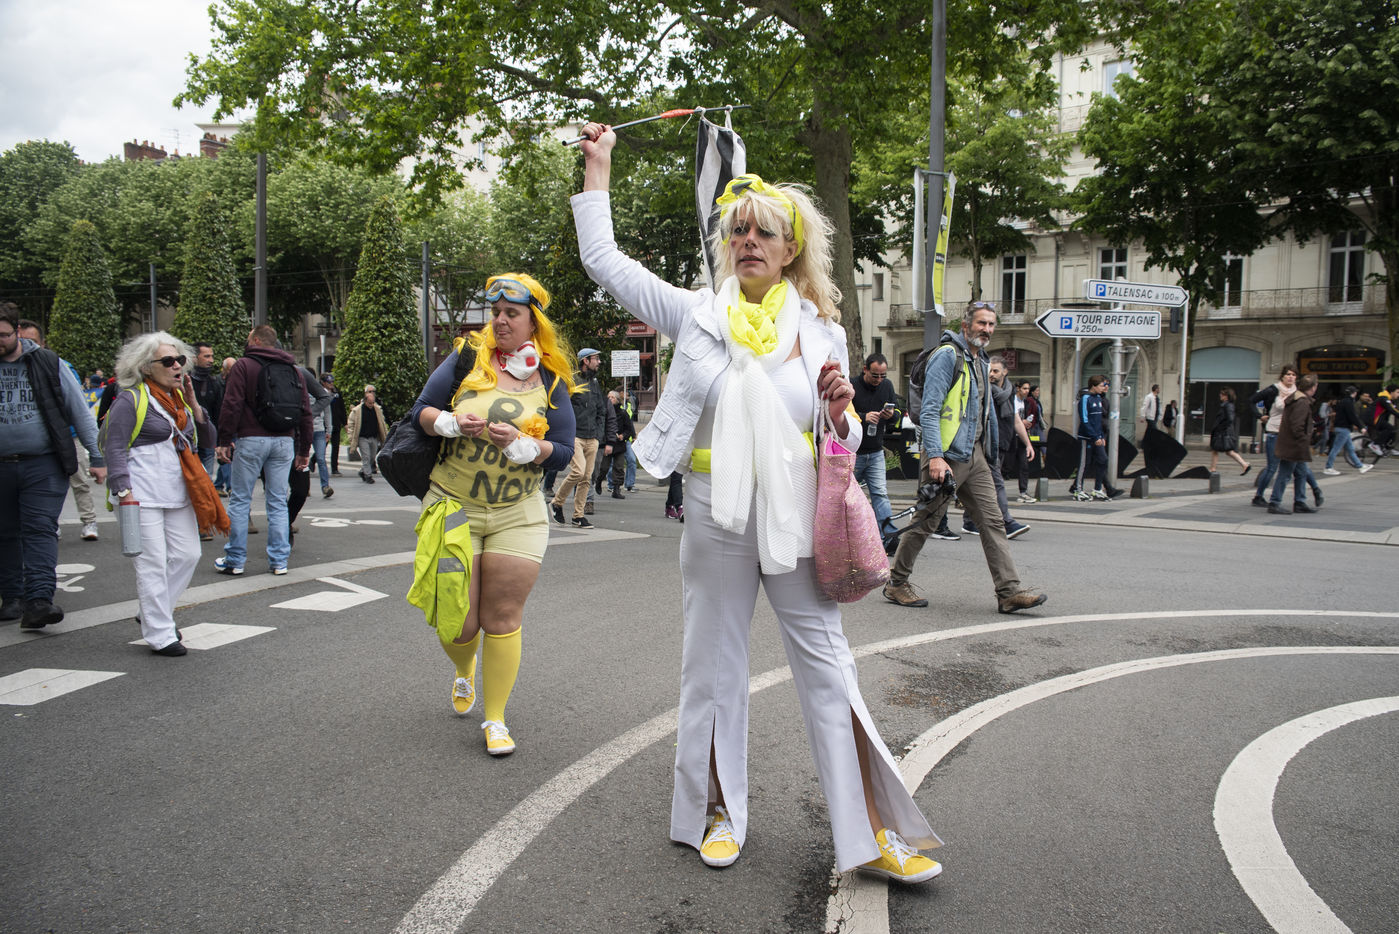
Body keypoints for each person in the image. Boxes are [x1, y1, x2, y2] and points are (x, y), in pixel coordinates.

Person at [573, 123, 942, 882]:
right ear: (726, 245)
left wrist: (839, 411)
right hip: (716, 511)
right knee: (712, 668)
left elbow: (839, 435)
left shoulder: (823, 332)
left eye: (764, 232)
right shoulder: (694, 313)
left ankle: (873, 830)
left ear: (789, 249)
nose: (748, 241)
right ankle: (716, 812)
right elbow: (603, 260)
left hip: (797, 507)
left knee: (829, 667)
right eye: (738, 230)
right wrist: (598, 166)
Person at [409, 273, 577, 756]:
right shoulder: (466, 358)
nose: (500, 321)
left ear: (533, 322)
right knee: (460, 622)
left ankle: (496, 718)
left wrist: (526, 446)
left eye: (511, 314)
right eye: (495, 312)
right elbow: (421, 411)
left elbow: (564, 451)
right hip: (453, 505)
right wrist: (448, 422)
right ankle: (464, 667)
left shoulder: (550, 378)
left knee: (502, 616)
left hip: (517, 513)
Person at [886, 301, 1048, 612]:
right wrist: (935, 457)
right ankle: (896, 582)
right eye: (981, 323)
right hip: (946, 455)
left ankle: (1008, 592)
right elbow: (930, 410)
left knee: (993, 521)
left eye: (991, 325)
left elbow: (982, 413)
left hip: (975, 456)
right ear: (965, 326)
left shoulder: (980, 361)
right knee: (926, 522)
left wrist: (988, 454)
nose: (986, 329)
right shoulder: (948, 356)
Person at [104, 333, 228, 655]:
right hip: (140, 495)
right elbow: (114, 448)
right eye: (168, 361)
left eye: (180, 360)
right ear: (146, 367)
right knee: (152, 564)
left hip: (177, 491)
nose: (177, 366)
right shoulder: (130, 400)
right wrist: (123, 491)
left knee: (189, 555)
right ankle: (159, 633)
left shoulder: (180, 400)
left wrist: (195, 404)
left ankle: (150, 611)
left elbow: (207, 439)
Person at [0, 305, 106, 629]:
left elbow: (79, 411)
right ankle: (12, 598)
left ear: (18, 332)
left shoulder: (48, 362)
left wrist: (97, 457)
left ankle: (38, 601)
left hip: (43, 463)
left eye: (3, 335)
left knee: (39, 528)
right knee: (5, 532)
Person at [214, 325, 313, 576]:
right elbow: (305, 411)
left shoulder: (243, 366)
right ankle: (279, 560)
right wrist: (304, 449)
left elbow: (231, 404)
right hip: (284, 441)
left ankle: (235, 560)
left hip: (251, 439)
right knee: (278, 501)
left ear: (256, 340)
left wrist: (224, 439)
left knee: (240, 499)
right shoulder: (293, 369)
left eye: (249, 339)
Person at [17, 319, 100, 541]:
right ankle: (50, 523)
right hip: (42, 443)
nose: (27, 345)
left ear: (43, 343)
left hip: (68, 436)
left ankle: (89, 521)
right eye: (22, 340)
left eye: (32, 341)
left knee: (79, 481)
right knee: (45, 487)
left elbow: (78, 405)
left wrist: (98, 456)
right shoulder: (12, 366)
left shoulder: (58, 365)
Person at [965, 354, 1031, 539]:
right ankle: (1006, 522)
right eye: (989, 370)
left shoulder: (1009, 392)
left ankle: (969, 522)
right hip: (984, 444)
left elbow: (1016, 420)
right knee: (997, 483)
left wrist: (1028, 443)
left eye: (995, 371)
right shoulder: (983, 390)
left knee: (973, 485)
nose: (991, 374)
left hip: (1002, 444)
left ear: (1005, 372)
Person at [551, 348, 608, 528]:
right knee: (578, 471)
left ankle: (578, 515)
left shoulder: (595, 383)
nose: (599, 362)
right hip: (574, 435)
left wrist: (598, 436)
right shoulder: (571, 381)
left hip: (592, 437)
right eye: (596, 359)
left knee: (586, 478)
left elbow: (601, 410)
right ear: (586, 361)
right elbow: (562, 408)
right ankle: (557, 502)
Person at [851, 352, 899, 536]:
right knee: (847, 495)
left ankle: (888, 534)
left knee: (880, 493)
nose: (879, 379)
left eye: (882, 376)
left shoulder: (887, 386)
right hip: (854, 452)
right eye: (875, 375)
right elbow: (841, 415)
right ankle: (849, 534)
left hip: (876, 451)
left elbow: (896, 414)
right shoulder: (852, 386)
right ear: (865, 369)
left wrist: (891, 415)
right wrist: (863, 417)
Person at [1267, 374, 1320, 514]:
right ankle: (1274, 502)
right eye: (1316, 385)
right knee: (1285, 474)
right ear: (1312, 387)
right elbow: (1297, 426)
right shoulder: (1302, 402)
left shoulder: (1296, 399)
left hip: (1292, 444)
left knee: (1301, 473)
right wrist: (1303, 440)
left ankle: (1300, 502)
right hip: (1294, 445)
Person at [1248, 364, 1298, 505]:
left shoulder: (1296, 391)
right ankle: (1258, 496)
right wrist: (1259, 416)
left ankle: (1304, 496)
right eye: (1288, 374)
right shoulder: (1273, 390)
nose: (1291, 377)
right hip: (1274, 432)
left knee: (1296, 468)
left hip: (1289, 434)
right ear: (1282, 376)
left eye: (1294, 375)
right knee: (1272, 467)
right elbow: (1251, 400)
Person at [1072, 375, 1125, 501]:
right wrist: (1095, 436)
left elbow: (1099, 421)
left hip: (1098, 436)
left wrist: (1101, 436)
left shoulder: (1098, 398)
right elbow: (1085, 420)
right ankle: (1078, 490)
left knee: (1103, 460)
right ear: (1093, 386)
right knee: (1084, 463)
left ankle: (1097, 489)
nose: (1104, 388)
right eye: (1101, 385)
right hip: (1086, 437)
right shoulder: (1085, 399)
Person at [1322, 384, 1373, 476]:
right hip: (1343, 428)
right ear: (1354, 393)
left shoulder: (1342, 401)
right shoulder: (1349, 402)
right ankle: (1328, 467)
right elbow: (1352, 416)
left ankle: (1360, 466)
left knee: (1350, 449)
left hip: (1340, 428)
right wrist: (1361, 427)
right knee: (1336, 449)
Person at [595, 389, 634, 498]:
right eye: (608, 397)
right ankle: (599, 481)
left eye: (612, 397)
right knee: (604, 467)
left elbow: (629, 429)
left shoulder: (623, 413)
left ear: (617, 400)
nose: (610, 399)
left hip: (619, 445)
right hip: (607, 443)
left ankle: (616, 489)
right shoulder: (603, 412)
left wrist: (623, 436)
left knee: (619, 467)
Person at [345, 385, 388, 483]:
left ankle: (363, 471)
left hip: (374, 437)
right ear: (365, 401)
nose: (371, 405)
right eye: (369, 403)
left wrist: (385, 435)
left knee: (372, 457)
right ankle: (368, 476)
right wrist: (351, 438)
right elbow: (351, 424)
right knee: (366, 456)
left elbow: (382, 423)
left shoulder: (377, 409)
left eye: (373, 403)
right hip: (362, 437)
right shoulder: (357, 411)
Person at [1208, 388, 1251, 474]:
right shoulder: (1226, 405)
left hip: (1223, 432)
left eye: (1222, 394)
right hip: (1224, 432)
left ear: (1227, 396)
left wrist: (1221, 428)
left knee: (1216, 449)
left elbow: (1230, 419)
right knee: (1228, 451)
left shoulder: (1228, 406)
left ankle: (1213, 468)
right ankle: (1244, 464)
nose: (1220, 395)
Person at [326, 374, 347, 476]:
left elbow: (342, 407)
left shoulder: (336, 392)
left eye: (332, 382)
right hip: (325, 425)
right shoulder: (320, 392)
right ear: (323, 383)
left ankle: (334, 468)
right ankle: (313, 460)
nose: (331, 384)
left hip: (336, 423)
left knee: (336, 447)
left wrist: (345, 423)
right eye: (329, 382)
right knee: (322, 446)